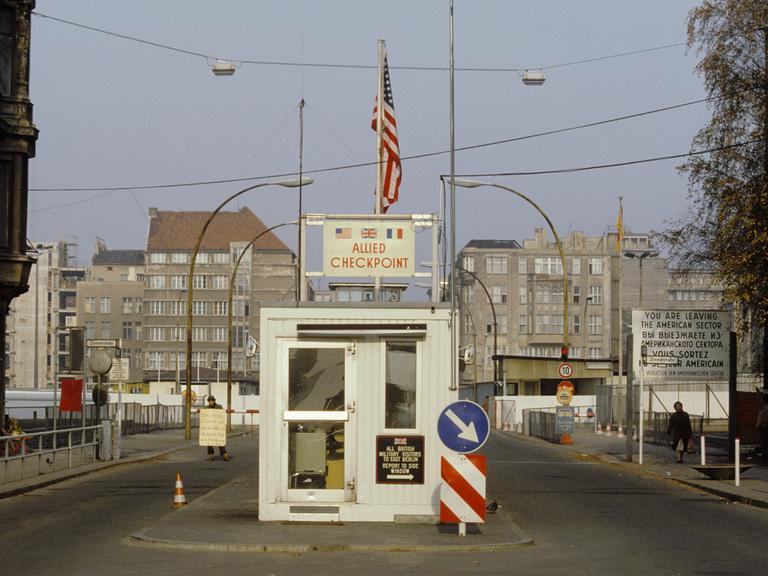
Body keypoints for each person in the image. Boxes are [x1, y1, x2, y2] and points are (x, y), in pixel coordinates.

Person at [203, 396, 231, 461]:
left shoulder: (219, 407)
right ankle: (211, 455)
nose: (211, 402)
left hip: (217, 427)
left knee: (219, 441)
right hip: (209, 427)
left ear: (214, 401)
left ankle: (225, 454)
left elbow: (221, 415)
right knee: (209, 442)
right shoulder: (206, 408)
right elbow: (203, 416)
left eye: (212, 400)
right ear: (208, 401)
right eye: (210, 401)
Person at [755, 394, 768, 465]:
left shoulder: (764, 409)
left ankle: (765, 459)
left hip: (764, 428)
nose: (761, 401)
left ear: (764, 400)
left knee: (764, 444)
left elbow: (761, 419)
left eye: (762, 399)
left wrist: (757, 426)